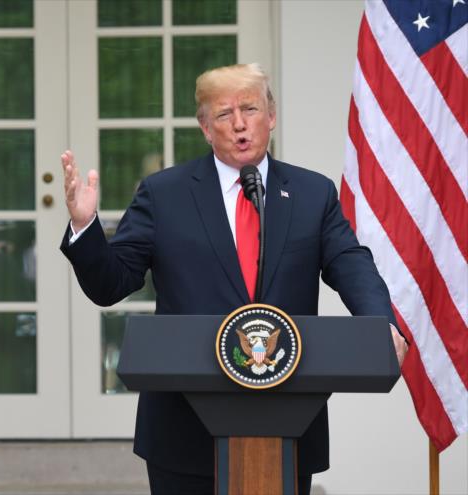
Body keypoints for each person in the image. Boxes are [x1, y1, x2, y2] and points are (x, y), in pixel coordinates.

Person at [59, 63, 407, 494]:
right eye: (224, 114)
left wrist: (380, 324)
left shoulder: (312, 194)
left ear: (271, 116)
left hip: (288, 425)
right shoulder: (163, 194)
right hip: (183, 433)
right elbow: (111, 284)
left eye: (251, 108)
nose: (240, 124)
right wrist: (85, 226)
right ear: (205, 128)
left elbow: (351, 263)